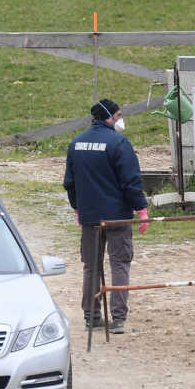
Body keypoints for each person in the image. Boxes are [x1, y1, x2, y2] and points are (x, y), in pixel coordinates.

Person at [63, 98, 149, 334]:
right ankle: (118, 318)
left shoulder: (76, 143)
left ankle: (91, 316)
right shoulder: (119, 143)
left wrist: (77, 209)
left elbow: (69, 182)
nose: (121, 120)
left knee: (91, 267)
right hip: (117, 217)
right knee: (119, 264)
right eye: (119, 115)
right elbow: (130, 182)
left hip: (90, 217)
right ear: (108, 117)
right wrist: (141, 210)